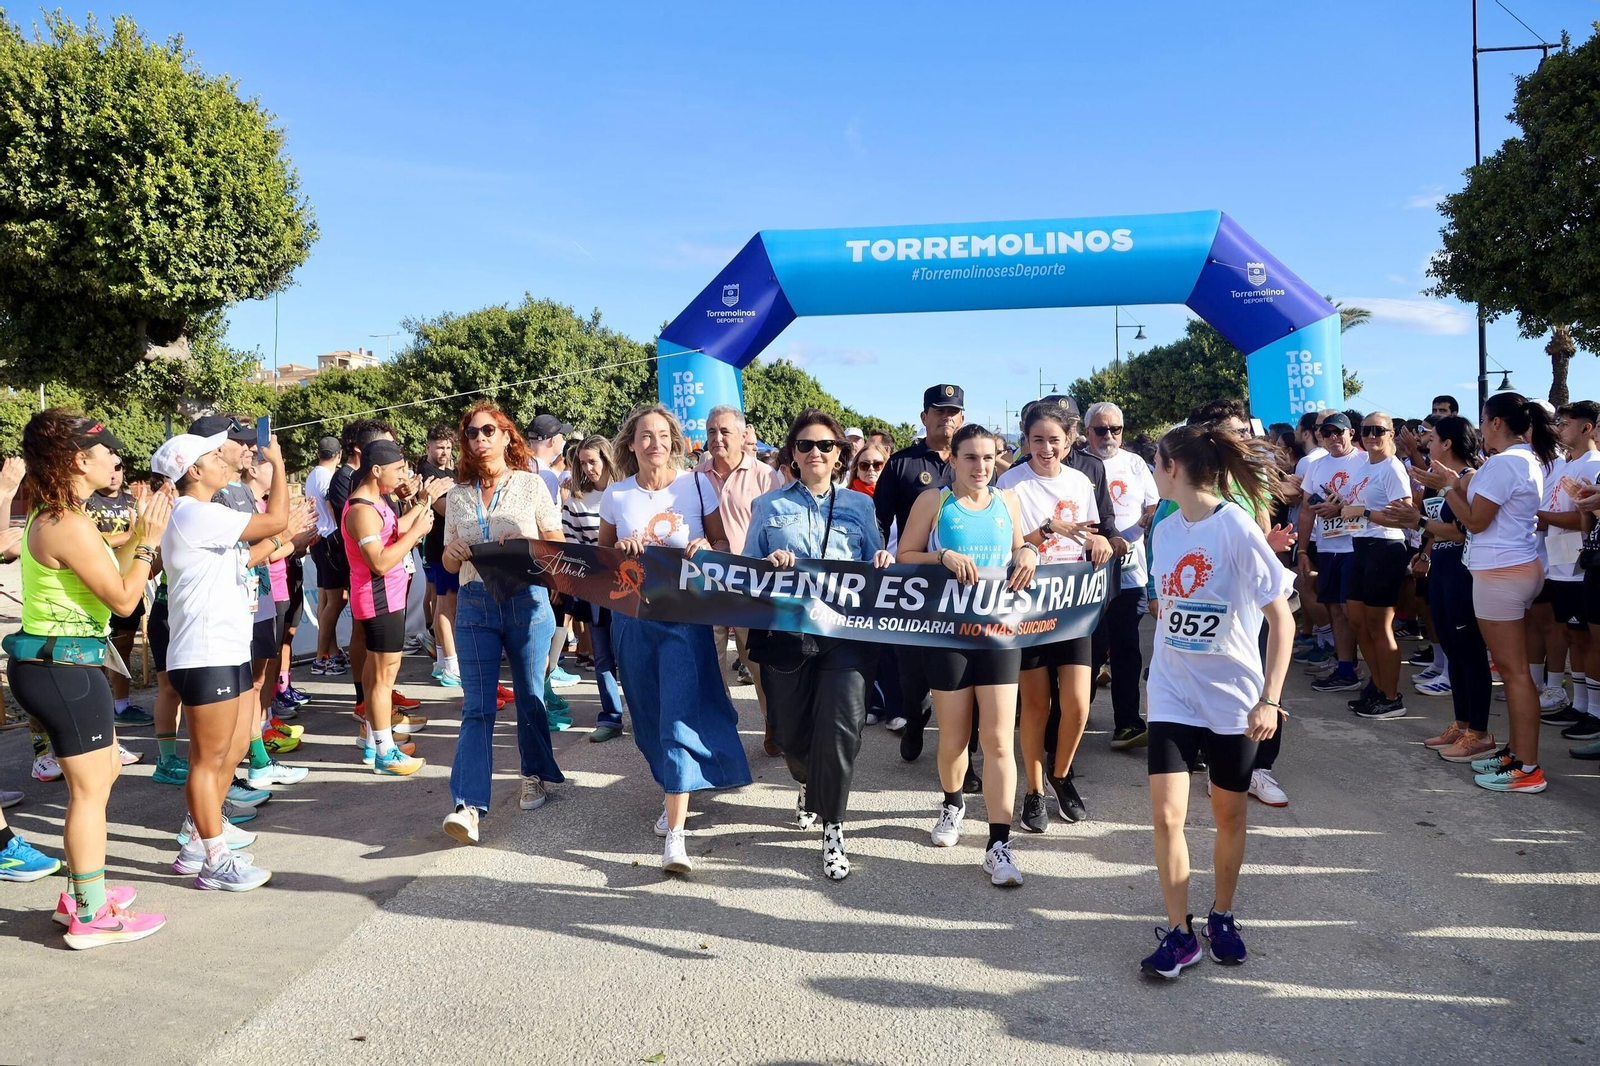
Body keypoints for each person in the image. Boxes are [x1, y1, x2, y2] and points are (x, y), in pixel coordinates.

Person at [5, 412, 170, 945]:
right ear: (80, 460)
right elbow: (124, 599)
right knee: (90, 789)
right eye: (110, 454)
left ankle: (81, 888)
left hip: (66, 665)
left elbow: (113, 572)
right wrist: (146, 542)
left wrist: (141, 542)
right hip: (62, 669)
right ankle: (90, 913)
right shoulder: (66, 522)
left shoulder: (64, 516)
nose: (117, 461)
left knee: (100, 780)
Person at [1139, 423, 1292, 980]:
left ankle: (1221, 915)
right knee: (1166, 817)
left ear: (1173, 467)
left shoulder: (1237, 528)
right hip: (1174, 691)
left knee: (1228, 814)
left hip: (1233, 697)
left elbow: (1282, 619)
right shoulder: (1166, 529)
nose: (1152, 472)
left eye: (1155, 462)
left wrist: (1270, 700)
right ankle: (1179, 935)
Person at [600, 403, 752, 875]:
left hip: (685, 621)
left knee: (678, 717)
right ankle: (673, 791)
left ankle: (677, 834)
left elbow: (722, 545)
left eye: (663, 436)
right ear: (631, 444)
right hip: (633, 618)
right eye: (645, 436)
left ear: (676, 442)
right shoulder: (617, 495)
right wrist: (618, 551)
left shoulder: (695, 485)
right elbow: (598, 559)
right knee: (646, 718)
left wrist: (706, 548)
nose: (655, 444)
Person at [745, 410, 889, 881]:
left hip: (846, 635)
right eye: (806, 445)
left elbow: (876, 558)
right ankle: (807, 782)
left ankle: (834, 827)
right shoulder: (768, 506)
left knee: (842, 728)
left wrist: (883, 557)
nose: (816, 453)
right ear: (792, 453)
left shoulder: (859, 506)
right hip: (788, 633)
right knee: (790, 733)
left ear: (839, 454)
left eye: (826, 446)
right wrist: (769, 563)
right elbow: (746, 567)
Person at [154, 425, 294, 894]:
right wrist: (278, 464)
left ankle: (199, 838)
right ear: (193, 471)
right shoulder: (193, 513)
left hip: (226, 648)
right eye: (214, 456)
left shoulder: (204, 514)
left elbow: (243, 559)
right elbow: (274, 520)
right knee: (208, 759)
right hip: (204, 652)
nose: (224, 460)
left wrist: (280, 542)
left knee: (232, 750)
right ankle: (213, 861)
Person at [898, 422, 1036, 887]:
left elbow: (1018, 546)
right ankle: (954, 802)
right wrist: (941, 557)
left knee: (999, 740)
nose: (981, 467)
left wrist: (1029, 552)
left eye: (989, 457)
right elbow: (903, 555)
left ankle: (999, 843)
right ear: (952, 460)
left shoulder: (1009, 500)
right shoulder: (934, 502)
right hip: (949, 633)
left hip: (999, 632)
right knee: (954, 737)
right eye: (970, 458)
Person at [440, 403, 567, 845]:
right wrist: (451, 553)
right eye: (472, 433)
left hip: (526, 600)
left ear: (506, 436)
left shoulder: (531, 485)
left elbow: (558, 543)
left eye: (488, 431)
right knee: (477, 707)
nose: (480, 439)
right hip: (475, 602)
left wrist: (527, 542)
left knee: (531, 696)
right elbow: (447, 557)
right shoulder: (457, 495)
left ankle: (533, 773)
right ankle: (468, 805)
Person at [1416, 392, 1555, 794]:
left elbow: (1475, 522)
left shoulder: (1505, 462)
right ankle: (1517, 754)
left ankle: (1527, 767)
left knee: (1514, 675)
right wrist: (1452, 484)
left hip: (1501, 573)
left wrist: (1447, 487)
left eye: (1482, 417)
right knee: (1515, 673)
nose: (1479, 426)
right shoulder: (1524, 459)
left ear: (1496, 422)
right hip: (1510, 569)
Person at [994, 405, 1110, 832]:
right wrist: (1045, 531)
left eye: (1054, 439)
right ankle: (1035, 789)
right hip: (1030, 607)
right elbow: (1005, 545)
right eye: (1037, 439)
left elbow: (1091, 533)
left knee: (1078, 704)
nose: (1046, 448)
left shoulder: (1081, 480)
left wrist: (1100, 542)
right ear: (1025, 440)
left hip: (1075, 605)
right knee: (1037, 706)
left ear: (1069, 440)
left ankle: (1062, 773)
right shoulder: (1010, 483)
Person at [1381, 417, 1493, 760]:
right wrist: (1423, 548)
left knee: (1470, 654)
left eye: (1432, 438)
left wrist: (1417, 521)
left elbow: (1462, 530)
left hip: (1462, 573)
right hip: (1441, 569)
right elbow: (1434, 529)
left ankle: (1480, 733)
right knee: (1454, 652)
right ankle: (1461, 725)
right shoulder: (1437, 481)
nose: (1426, 441)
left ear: (1448, 444)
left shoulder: (1468, 479)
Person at [875, 384, 964, 758]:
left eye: (954, 412)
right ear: (924, 416)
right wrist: (879, 552)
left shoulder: (974, 462)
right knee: (910, 671)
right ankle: (914, 717)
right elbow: (879, 519)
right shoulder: (901, 464)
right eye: (939, 411)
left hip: (963, 583)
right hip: (913, 581)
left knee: (962, 669)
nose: (947, 418)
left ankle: (964, 755)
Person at [343, 439, 433, 775]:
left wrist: (424, 505)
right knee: (383, 677)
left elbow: (397, 527)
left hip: (387, 599)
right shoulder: (362, 510)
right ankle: (384, 752)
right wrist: (417, 533)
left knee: (375, 674)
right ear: (376, 470)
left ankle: (374, 741)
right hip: (378, 600)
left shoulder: (376, 502)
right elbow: (379, 562)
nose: (402, 476)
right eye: (397, 470)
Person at [696, 405, 781, 752]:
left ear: (744, 434)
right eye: (712, 431)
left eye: (724, 431)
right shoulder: (696, 475)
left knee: (757, 662)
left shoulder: (764, 475)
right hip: (708, 582)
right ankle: (722, 731)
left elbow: (777, 528)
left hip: (751, 583)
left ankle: (772, 723)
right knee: (711, 664)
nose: (717, 438)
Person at [1083, 402, 1159, 750]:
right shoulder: (1076, 465)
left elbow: (1154, 504)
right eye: (1101, 430)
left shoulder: (1135, 464)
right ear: (1087, 433)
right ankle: (1073, 719)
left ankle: (1127, 723)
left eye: (1115, 429)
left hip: (1130, 574)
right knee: (1089, 649)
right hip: (1086, 577)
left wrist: (1146, 521)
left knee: (1127, 649)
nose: (1109, 436)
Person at [1341, 413, 1414, 719]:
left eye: (1378, 430)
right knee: (1357, 621)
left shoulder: (1392, 468)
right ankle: (1378, 684)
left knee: (1378, 625)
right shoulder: (1363, 466)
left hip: (1385, 545)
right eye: (1366, 430)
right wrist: (1340, 507)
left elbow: (1405, 514)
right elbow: (1356, 508)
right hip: (1360, 544)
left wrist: (1364, 512)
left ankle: (1391, 695)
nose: (1371, 435)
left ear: (1391, 433)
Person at [1535, 401, 1600, 741]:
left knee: (1588, 639)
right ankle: (1580, 704)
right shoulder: (1565, 466)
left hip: (1579, 564)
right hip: (1559, 563)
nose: (1559, 429)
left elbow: (1581, 518)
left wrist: (1539, 516)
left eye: (1566, 423)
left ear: (1587, 429)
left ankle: (1594, 712)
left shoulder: (1593, 464)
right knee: (1574, 637)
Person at [562, 434, 628, 743]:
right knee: (602, 656)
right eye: (583, 463)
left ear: (607, 459)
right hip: (596, 587)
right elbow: (570, 547)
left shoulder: (627, 490)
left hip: (633, 585)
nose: (588, 468)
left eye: (593, 461)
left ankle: (644, 713)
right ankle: (611, 717)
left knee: (633, 654)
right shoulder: (575, 500)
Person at [1296, 412, 1368, 694]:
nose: (1333, 438)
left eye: (1339, 432)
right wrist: (1302, 550)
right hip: (1327, 547)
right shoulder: (1316, 466)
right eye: (1327, 434)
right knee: (1335, 610)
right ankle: (1345, 668)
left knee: (1354, 612)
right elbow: (1305, 510)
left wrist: (1342, 508)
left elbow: (1378, 503)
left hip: (1358, 545)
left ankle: (1369, 669)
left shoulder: (1365, 460)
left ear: (1351, 433)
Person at [84, 455, 153, 732]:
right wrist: (130, 536)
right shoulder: (87, 502)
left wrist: (137, 535)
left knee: (122, 646)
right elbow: (88, 541)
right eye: (109, 468)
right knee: (93, 651)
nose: (114, 474)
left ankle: (121, 705)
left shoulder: (130, 501)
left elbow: (145, 534)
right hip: (98, 585)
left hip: (129, 582)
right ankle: (94, 708)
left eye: (118, 468)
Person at [418, 425, 460, 686]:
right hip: (439, 546)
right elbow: (444, 509)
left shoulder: (450, 472)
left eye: (447, 447)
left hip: (449, 546)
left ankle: (441, 661)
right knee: (446, 606)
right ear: (428, 447)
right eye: (439, 447)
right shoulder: (427, 472)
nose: (443, 452)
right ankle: (451, 667)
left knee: (442, 603)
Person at [305, 433, 349, 676]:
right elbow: (333, 505)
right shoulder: (328, 477)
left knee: (325, 599)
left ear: (317, 453)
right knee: (337, 600)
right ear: (339, 455)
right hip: (330, 538)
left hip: (320, 539)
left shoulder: (312, 475)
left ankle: (330, 651)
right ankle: (322, 656)